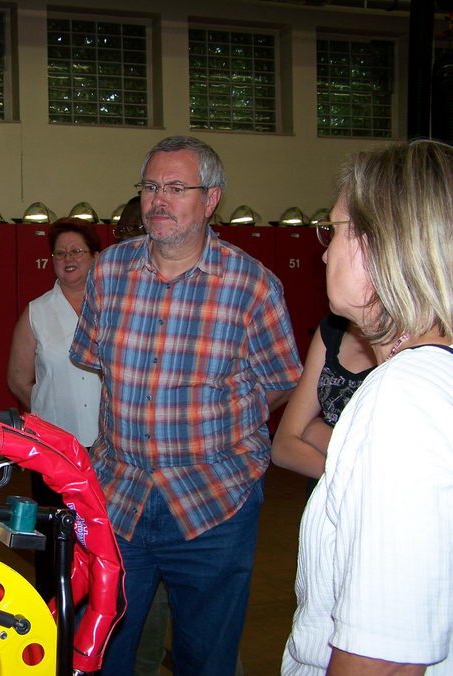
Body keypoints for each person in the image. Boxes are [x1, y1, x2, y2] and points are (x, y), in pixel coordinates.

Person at [70, 135, 301, 674]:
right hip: (120, 498)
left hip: (214, 502)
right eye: (151, 186)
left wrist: (217, 424)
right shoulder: (108, 272)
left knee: (206, 658)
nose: (158, 200)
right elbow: (96, 359)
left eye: (176, 188)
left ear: (211, 198)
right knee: (104, 652)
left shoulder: (252, 286)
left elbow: (281, 381)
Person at [283, 140, 453, 673]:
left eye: (334, 231)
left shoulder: (402, 398)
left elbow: (385, 656)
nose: (325, 252)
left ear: (383, 247)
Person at [7, 217, 102, 446]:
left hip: (110, 442)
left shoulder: (115, 306)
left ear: (95, 257)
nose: (68, 258)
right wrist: (47, 409)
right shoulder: (36, 311)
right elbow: (17, 380)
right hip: (55, 442)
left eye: (77, 251)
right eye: (59, 253)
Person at [271, 313, 375, 479]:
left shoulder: (414, 349)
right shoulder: (333, 329)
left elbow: (383, 468)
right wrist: (346, 479)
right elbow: (282, 448)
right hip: (327, 496)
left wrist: (317, 434)